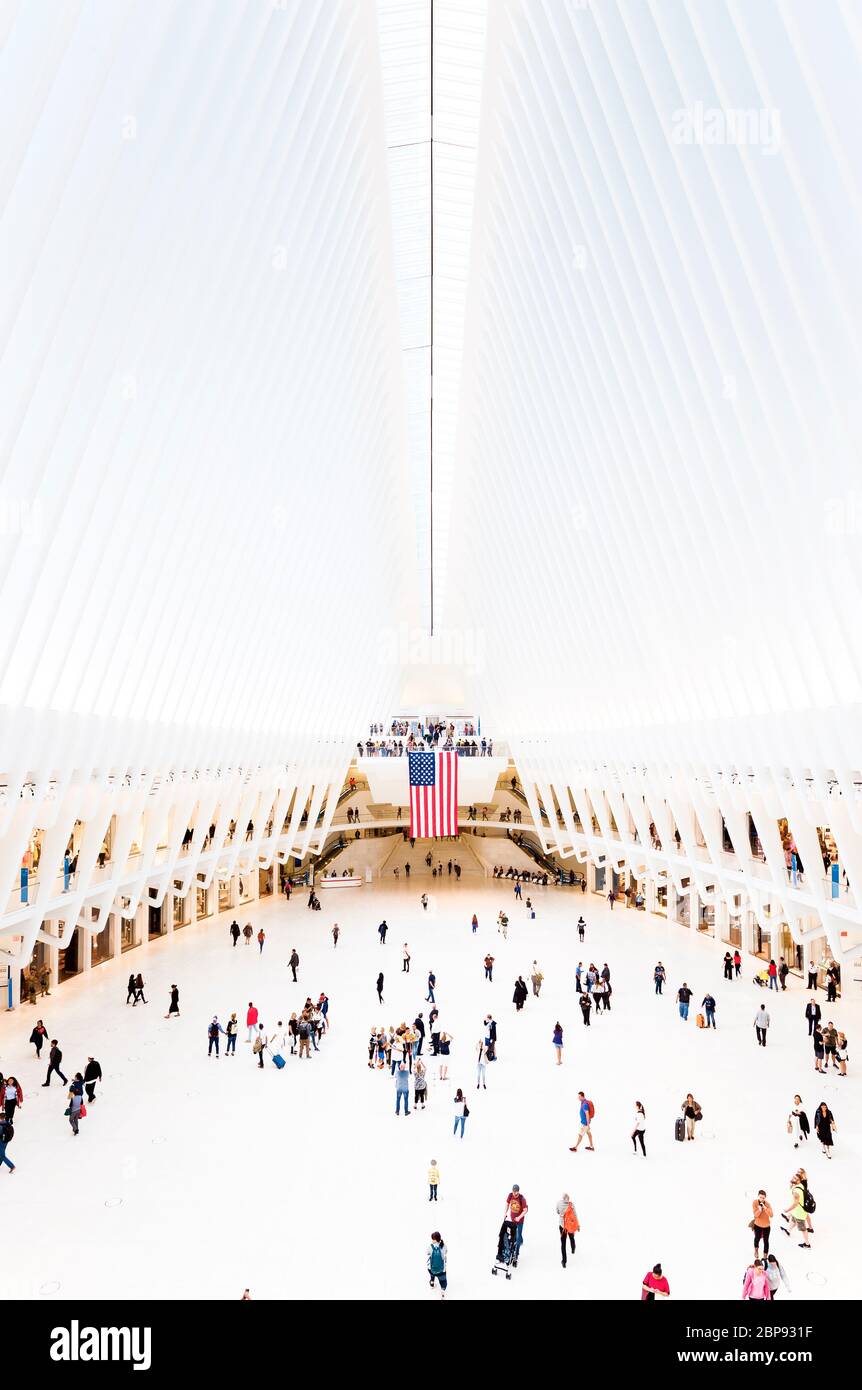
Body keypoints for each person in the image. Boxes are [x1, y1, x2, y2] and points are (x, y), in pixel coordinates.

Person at [782, 1176, 810, 1248]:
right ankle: (788, 1231)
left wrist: (787, 1210)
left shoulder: (796, 1191)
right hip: (797, 1212)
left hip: (799, 1213)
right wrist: (791, 1185)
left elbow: (795, 1204)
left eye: (795, 1179)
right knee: (794, 1220)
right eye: (793, 1177)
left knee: (803, 1229)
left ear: (799, 1180)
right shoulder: (800, 1185)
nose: (793, 1179)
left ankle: (807, 1244)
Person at [557, 1193, 579, 1267]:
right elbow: (575, 1215)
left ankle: (564, 1261)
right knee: (571, 1237)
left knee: (563, 1244)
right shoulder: (571, 1205)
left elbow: (557, 1211)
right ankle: (573, 1248)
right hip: (570, 1226)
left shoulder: (559, 1203)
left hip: (562, 1226)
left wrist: (561, 1213)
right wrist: (577, 1224)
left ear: (563, 1198)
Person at [751, 1190, 773, 1257]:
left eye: (763, 1198)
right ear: (758, 1196)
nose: (761, 1199)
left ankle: (765, 1255)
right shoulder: (755, 1202)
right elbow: (755, 1215)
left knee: (766, 1241)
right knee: (757, 1238)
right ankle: (756, 1250)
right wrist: (759, 1210)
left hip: (766, 1226)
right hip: (757, 1225)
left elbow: (771, 1215)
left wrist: (765, 1208)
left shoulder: (767, 1204)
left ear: (765, 1198)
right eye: (760, 1197)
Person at [427, 1233, 447, 1297]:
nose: (432, 1240)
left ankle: (432, 1283)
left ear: (435, 1239)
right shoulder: (443, 1246)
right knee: (443, 1281)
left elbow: (427, 1253)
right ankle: (442, 1292)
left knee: (432, 1273)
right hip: (441, 1270)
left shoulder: (430, 1246)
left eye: (432, 1239)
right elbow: (446, 1252)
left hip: (431, 1269)